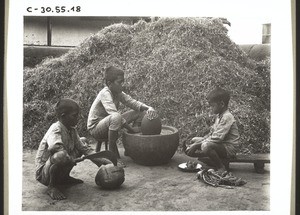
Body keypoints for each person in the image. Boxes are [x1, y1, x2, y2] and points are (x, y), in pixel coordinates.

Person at [35, 98, 113, 200]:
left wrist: (101, 159)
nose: (78, 118)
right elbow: (56, 148)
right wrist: (71, 159)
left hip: (60, 163)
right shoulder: (55, 128)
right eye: (75, 115)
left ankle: (64, 178)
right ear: (63, 116)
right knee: (61, 155)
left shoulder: (72, 129)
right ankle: (52, 186)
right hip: (44, 173)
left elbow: (83, 148)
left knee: (82, 142)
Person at [87, 66, 157, 167]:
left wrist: (149, 108)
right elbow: (113, 113)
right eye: (119, 82)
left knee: (140, 112)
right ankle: (112, 157)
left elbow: (132, 102)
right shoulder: (105, 93)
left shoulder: (118, 92)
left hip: (109, 122)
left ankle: (132, 148)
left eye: (123, 82)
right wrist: (131, 129)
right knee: (116, 117)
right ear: (109, 83)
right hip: (96, 128)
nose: (122, 85)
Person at [185, 87, 240, 173]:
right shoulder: (219, 116)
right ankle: (210, 158)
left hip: (229, 148)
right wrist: (198, 142)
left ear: (221, 104)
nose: (211, 109)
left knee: (205, 146)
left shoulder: (227, 117)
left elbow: (217, 138)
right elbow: (212, 134)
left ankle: (221, 167)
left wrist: (197, 145)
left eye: (212, 106)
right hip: (221, 144)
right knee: (194, 140)